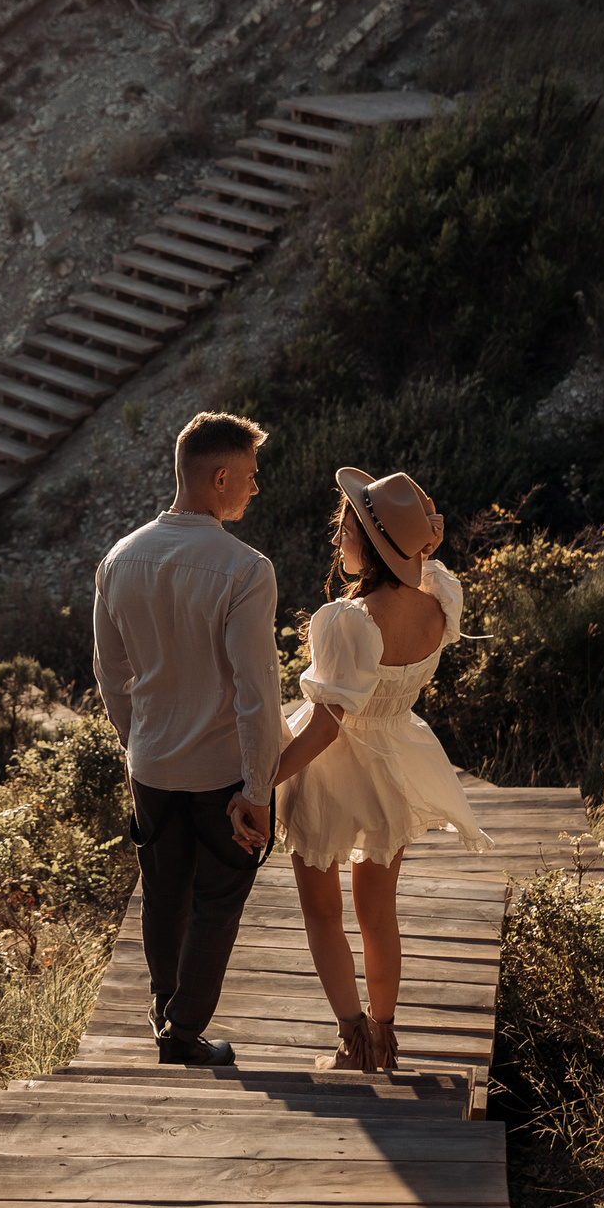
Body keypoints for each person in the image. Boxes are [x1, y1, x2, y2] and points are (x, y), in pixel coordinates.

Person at [250, 467, 487, 1073]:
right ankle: (383, 1041)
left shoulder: (347, 620)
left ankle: (350, 1042)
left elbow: (326, 726)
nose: (338, 542)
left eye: (345, 531)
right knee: (379, 914)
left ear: (373, 544)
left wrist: (258, 784)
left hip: (330, 774)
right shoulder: (436, 599)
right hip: (394, 766)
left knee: (322, 912)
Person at [93, 411, 285, 1067]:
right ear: (221, 476)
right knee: (218, 897)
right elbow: (258, 693)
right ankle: (181, 1032)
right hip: (220, 773)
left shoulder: (119, 558)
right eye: (250, 477)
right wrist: (258, 789)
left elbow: (109, 672)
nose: (254, 490)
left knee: (163, 888)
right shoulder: (245, 570)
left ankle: (163, 1004)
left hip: (151, 763)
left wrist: (136, 740)